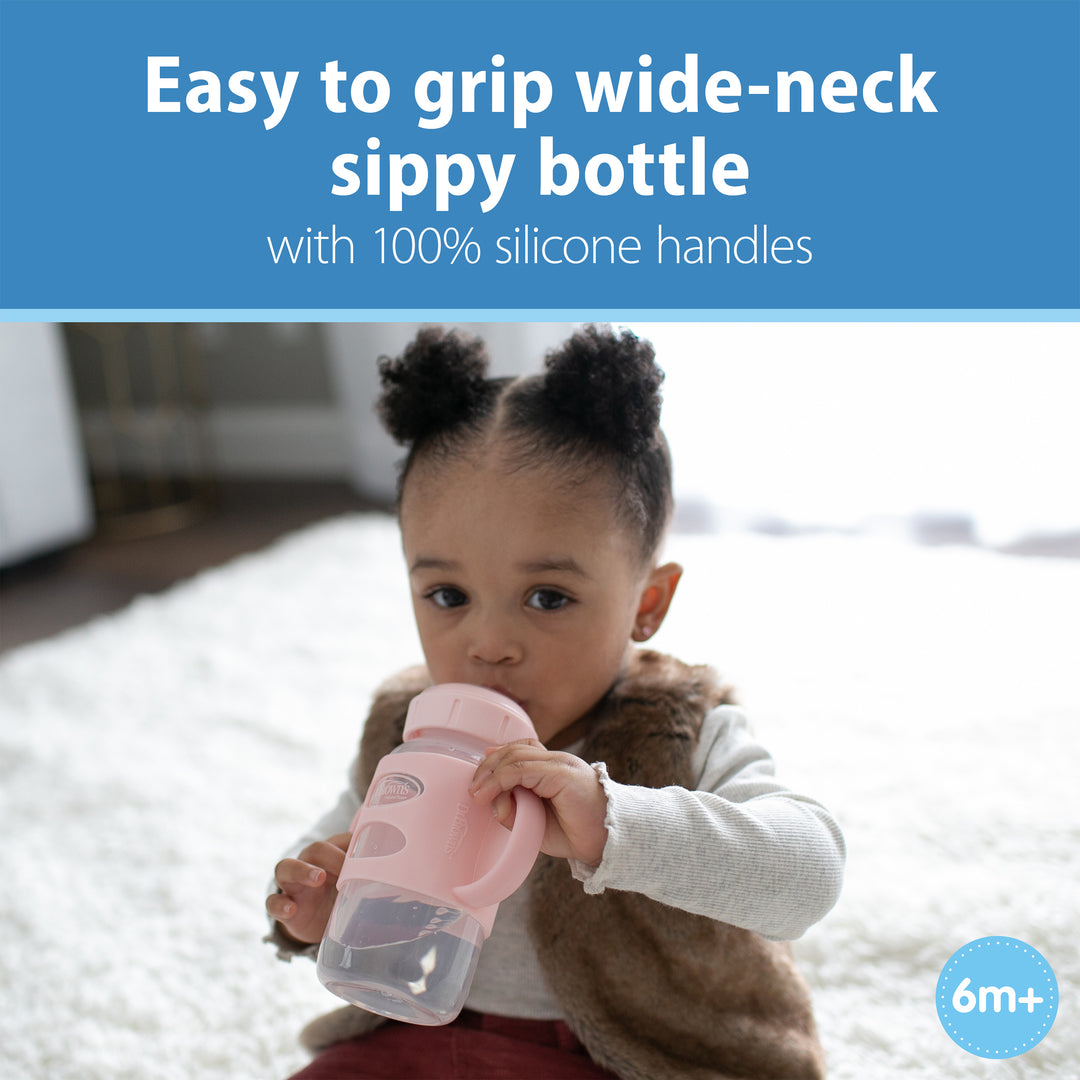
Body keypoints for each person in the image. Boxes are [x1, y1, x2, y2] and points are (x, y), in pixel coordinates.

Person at [266, 325, 845, 1080]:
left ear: (648, 603)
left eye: (547, 597)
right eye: (448, 595)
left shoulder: (680, 727)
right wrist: (311, 903)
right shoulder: (405, 726)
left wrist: (616, 823)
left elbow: (808, 873)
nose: (489, 642)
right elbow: (341, 834)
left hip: (634, 1057)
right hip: (418, 1029)